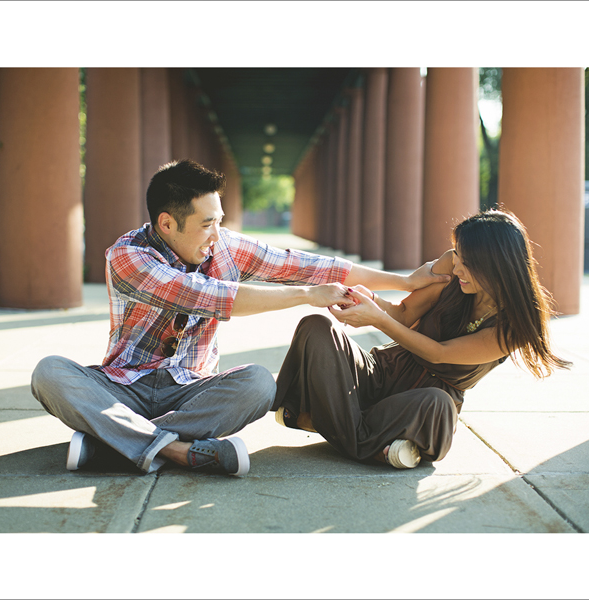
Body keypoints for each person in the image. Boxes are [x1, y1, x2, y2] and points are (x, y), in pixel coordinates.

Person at [31, 159, 449, 477]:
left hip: (191, 391)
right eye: (207, 224)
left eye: (220, 221)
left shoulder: (223, 246)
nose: (217, 234)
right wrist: (306, 296)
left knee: (260, 385)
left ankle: (112, 441)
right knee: (50, 373)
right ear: (167, 224)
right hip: (124, 385)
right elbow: (209, 296)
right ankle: (176, 450)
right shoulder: (128, 256)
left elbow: (306, 265)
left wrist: (405, 281)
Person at [272, 209, 573, 469]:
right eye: (457, 256)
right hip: (381, 372)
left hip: (419, 405)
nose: (457, 267)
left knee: (439, 403)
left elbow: (438, 353)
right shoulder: (451, 267)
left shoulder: (514, 328)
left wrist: (377, 319)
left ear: (495, 264)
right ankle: (372, 443)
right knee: (316, 327)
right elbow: (403, 314)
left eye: (467, 262)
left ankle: (323, 421)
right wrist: (369, 300)